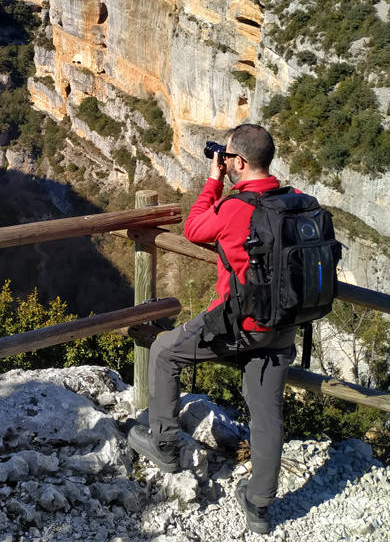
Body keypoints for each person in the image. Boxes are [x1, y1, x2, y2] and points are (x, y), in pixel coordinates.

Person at [127, 123, 296, 535]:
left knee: (166, 351)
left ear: (237, 161)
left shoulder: (237, 207)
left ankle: (164, 446)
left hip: (236, 325)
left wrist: (213, 180)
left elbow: (194, 227)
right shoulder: (297, 203)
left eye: (229, 159)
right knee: (266, 414)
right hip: (283, 327)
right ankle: (258, 507)